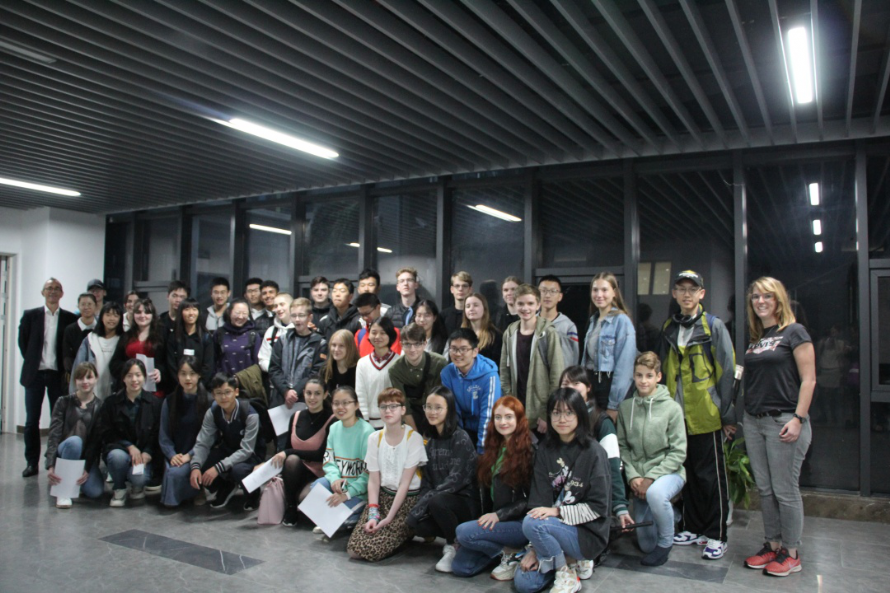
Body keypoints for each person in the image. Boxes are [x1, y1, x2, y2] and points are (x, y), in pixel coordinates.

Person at [657, 270, 735, 560]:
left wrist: (727, 415)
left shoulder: (713, 326)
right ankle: (692, 527)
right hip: (677, 417)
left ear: (702, 293)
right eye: (681, 289)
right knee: (686, 474)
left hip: (706, 415)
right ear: (674, 294)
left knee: (710, 478)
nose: (687, 294)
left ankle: (716, 534)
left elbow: (727, 371)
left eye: (693, 289)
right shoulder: (669, 327)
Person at [741, 277, 815, 578]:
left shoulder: (794, 332)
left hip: (784, 421)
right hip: (754, 421)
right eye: (756, 297)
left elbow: (809, 379)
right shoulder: (758, 337)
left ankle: (792, 553)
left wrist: (798, 419)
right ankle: (772, 545)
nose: (760, 301)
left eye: (767, 296)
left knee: (785, 490)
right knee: (766, 489)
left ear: (779, 299)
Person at [514, 388, 611, 593]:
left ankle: (565, 571)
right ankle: (568, 560)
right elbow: (538, 505)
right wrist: (534, 548)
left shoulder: (594, 452)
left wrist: (557, 512)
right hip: (550, 529)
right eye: (556, 413)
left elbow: (598, 507)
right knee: (525, 584)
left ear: (580, 415)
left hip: (586, 533)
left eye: (569, 413)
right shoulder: (545, 449)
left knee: (531, 523)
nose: (562, 419)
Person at [452, 396, 534, 580]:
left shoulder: (530, 451)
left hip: (518, 523)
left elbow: (531, 499)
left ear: (519, 419)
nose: (503, 422)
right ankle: (505, 552)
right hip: (496, 521)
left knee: (463, 532)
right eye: (498, 417)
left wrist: (499, 515)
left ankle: (515, 552)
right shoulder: (493, 448)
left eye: (508, 417)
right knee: (461, 567)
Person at [617, 352, 687, 567]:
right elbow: (622, 447)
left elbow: (678, 452)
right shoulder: (625, 408)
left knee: (656, 494)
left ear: (658, 377)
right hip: (639, 477)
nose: (643, 381)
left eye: (649, 376)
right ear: (634, 376)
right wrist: (633, 476)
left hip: (669, 473)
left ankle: (666, 544)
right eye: (639, 375)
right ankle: (673, 516)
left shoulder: (672, 408)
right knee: (646, 545)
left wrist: (650, 478)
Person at [346, 388, 428, 562]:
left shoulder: (413, 438)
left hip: (406, 502)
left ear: (403, 410)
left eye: (393, 406)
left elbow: (405, 483)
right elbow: (374, 480)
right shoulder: (374, 438)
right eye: (383, 407)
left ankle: (406, 534)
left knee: (371, 550)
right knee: (354, 549)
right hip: (382, 498)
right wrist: (373, 513)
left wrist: (389, 518)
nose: (388, 410)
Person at [406, 386, 478, 573]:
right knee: (419, 525)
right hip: (439, 501)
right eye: (428, 407)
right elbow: (427, 481)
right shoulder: (430, 442)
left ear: (449, 410)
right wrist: (418, 507)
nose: (432, 412)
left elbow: (456, 480)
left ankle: (455, 545)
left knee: (436, 501)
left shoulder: (460, 438)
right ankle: (451, 538)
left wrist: (422, 506)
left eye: (438, 407)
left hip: (463, 503)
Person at [559, 366, 630, 534]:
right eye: (565, 384)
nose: (570, 388)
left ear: (588, 387)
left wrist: (620, 506)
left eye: (576, 383)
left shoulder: (601, 421)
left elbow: (613, 465)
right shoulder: (558, 420)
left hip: (591, 498)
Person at [18, 277, 78, 477]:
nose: (53, 291)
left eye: (56, 288)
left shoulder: (69, 318)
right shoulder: (30, 316)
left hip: (57, 376)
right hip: (35, 374)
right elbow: (23, 343)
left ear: (62, 293)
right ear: (42, 292)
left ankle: (55, 460)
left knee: (58, 420)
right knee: (31, 421)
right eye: (49, 288)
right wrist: (34, 361)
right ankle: (31, 462)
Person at [83, 359, 162, 507]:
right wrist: (129, 447)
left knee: (139, 477)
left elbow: (156, 433)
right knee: (116, 457)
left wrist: (148, 452)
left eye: (138, 375)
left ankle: (137, 486)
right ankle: (119, 488)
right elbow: (107, 432)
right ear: (123, 378)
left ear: (144, 377)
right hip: (120, 450)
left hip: (143, 455)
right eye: (129, 375)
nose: (134, 380)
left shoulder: (155, 403)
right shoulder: (111, 403)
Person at [189, 373, 264, 509]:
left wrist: (218, 468)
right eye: (219, 393)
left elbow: (246, 450)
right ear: (213, 394)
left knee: (238, 470)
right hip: (228, 448)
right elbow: (203, 442)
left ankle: (253, 493)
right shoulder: (213, 412)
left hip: (251, 454)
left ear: (236, 392)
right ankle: (226, 486)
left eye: (227, 392)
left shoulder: (250, 414)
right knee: (202, 464)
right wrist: (195, 466)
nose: (223, 397)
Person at [267, 377, 335, 524]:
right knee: (291, 461)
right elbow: (287, 448)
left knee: (304, 497)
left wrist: (288, 452)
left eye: (317, 393)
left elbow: (321, 455)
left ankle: (299, 500)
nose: (312, 398)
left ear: (325, 395)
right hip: (295, 471)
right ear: (303, 393)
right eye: (309, 393)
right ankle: (291, 507)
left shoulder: (332, 420)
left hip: (318, 473)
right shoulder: (296, 416)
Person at [500, 284, 565, 435]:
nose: (525, 308)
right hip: (516, 409)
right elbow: (504, 371)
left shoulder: (548, 333)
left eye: (530, 303)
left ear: (538, 305)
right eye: (520, 303)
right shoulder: (510, 332)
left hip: (540, 411)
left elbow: (557, 375)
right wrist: (510, 402)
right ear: (515, 304)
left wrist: (547, 413)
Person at [310, 386, 375, 531]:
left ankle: (346, 517)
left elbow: (369, 475)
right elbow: (329, 461)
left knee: (342, 520)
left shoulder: (367, 432)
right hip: (339, 487)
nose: (340, 407)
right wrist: (335, 479)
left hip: (358, 492)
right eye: (336, 403)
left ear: (356, 405)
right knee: (316, 487)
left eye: (346, 403)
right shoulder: (334, 428)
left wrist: (347, 494)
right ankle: (332, 517)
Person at [45, 362, 105, 507]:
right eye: (80, 378)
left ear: (96, 378)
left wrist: (87, 467)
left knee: (95, 491)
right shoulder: (63, 402)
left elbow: (96, 442)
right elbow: (54, 435)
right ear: (74, 380)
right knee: (75, 442)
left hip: (85, 457)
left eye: (89, 377)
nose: (85, 381)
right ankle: (63, 491)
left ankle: (72, 479)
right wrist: (50, 465)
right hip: (65, 450)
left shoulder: (100, 406)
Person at [581, 272, 637, 422]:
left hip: (609, 387)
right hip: (591, 384)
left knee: (608, 432)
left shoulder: (622, 321)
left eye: (604, 290)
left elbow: (625, 366)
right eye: (595, 290)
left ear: (614, 293)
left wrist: (614, 405)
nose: (599, 294)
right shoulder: (593, 320)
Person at [157, 357, 211, 508]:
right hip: (176, 456)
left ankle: (197, 490)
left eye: (192, 373)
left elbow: (208, 438)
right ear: (177, 375)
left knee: (175, 474)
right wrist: (172, 454)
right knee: (172, 472)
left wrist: (190, 455)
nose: (188, 378)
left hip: (198, 455)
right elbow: (164, 435)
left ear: (199, 375)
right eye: (183, 373)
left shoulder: (209, 401)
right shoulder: (169, 401)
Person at [441, 328, 502, 453]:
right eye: (453, 349)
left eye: (463, 349)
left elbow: (488, 415)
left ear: (475, 351)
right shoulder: (447, 373)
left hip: (488, 431)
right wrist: (458, 441)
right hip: (463, 430)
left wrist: (482, 450)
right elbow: (452, 410)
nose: (458, 354)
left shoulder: (489, 375)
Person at [388, 323, 447, 434]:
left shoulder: (440, 363)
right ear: (401, 345)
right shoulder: (395, 370)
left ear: (425, 344)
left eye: (417, 344)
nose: (412, 349)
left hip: (436, 413)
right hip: (412, 416)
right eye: (407, 344)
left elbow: (443, 399)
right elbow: (404, 406)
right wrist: (415, 435)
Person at [269, 298, 326, 409]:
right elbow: (274, 368)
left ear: (310, 317)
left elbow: (317, 372)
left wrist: (295, 391)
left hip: (306, 398)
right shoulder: (283, 340)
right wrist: (286, 391)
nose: (297, 319)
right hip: (281, 396)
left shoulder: (320, 343)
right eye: (294, 316)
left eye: (301, 315)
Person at [109, 298, 166, 397]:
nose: (142, 315)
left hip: (154, 391)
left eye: (147, 312)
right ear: (134, 314)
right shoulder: (126, 336)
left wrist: (160, 371)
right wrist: (130, 368)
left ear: (153, 315)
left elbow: (167, 362)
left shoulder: (162, 335)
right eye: (138, 312)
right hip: (129, 389)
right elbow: (114, 364)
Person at [70, 301, 124, 400]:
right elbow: (78, 368)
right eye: (108, 315)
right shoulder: (90, 339)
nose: (111, 319)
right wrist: (74, 394)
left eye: (116, 315)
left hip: (116, 392)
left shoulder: (124, 340)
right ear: (101, 317)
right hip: (90, 390)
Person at [355, 317, 401, 429]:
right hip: (369, 424)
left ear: (390, 335)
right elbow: (360, 394)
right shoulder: (362, 363)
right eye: (374, 332)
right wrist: (364, 421)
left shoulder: (398, 362)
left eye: (383, 333)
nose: (377, 337)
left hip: (393, 422)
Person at [166, 298, 215, 389]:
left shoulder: (206, 338)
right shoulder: (173, 337)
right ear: (181, 312)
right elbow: (171, 365)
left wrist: (198, 386)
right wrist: (182, 384)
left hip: (201, 388)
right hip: (178, 388)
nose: (191, 313)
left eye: (194, 309)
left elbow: (208, 366)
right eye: (187, 309)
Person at [538, 275, 579, 366]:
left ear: (560, 296)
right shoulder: (531, 322)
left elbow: (574, 357)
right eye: (543, 291)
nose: (547, 295)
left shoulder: (568, 326)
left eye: (553, 291)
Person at [214, 298, 262, 376]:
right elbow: (213, 360)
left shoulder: (253, 335)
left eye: (244, 313)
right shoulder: (219, 333)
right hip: (224, 381)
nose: (240, 317)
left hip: (246, 381)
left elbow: (257, 364)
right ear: (229, 312)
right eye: (237, 313)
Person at [461, 293, 503, 364]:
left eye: (475, 305)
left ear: (484, 309)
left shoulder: (495, 336)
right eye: (468, 306)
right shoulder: (459, 334)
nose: (471, 309)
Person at [354, 292, 402, 357]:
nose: (365, 318)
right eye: (362, 315)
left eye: (367, 313)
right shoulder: (360, 334)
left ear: (378, 307)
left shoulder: (393, 332)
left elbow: (394, 359)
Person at [258, 292, 294, 374]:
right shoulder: (271, 332)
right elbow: (263, 359)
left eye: (282, 304)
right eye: (276, 306)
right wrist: (276, 372)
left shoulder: (302, 329)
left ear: (292, 306)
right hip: (275, 379)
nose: (278, 308)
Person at [62, 293, 97, 377]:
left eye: (89, 304)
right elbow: (67, 356)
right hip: (77, 376)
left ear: (95, 306)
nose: (86, 307)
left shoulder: (101, 328)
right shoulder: (70, 330)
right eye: (83, 304)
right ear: (78, 306)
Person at [323, 329, 360, 395]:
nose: (336, 349)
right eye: (334, 345)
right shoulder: (325, 369)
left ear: (350, 348)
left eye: (341, 346)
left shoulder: (359, 369)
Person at [441, 271, 473, 336]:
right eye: (457, 286)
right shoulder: (443, 316)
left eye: (464, 286)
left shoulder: (475, 314)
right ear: (452, 289)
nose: (460, 289)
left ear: (470, 289)